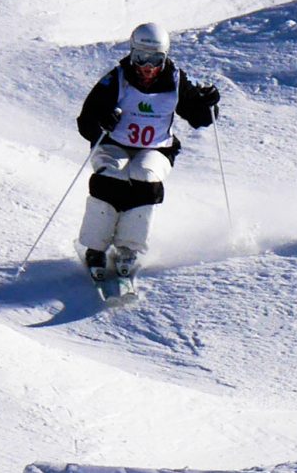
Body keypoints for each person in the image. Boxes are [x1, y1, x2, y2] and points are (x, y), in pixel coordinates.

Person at [76, 22, 221, 281]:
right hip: (114, 144)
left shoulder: (176, 81)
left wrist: (208, 105)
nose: (147, 67)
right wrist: (101, 124)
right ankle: (95, 247)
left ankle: (128, 249)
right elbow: (87, 118)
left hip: (156, 148)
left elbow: (199, 118)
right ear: (132, 53)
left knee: (145, 176)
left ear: (165, 58)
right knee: (111, 175)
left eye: (155, 59)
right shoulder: (116, 79)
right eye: (141, 57)